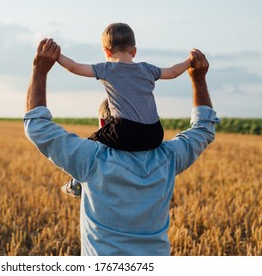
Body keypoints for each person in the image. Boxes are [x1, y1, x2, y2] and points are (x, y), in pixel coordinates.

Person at [24, 38, 219, 255]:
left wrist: (39, 70)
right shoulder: (168, 159)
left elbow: (37, 127)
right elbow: (204, 129)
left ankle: (75, 184)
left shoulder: (91, 160)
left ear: (103, 124)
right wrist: (198, 79)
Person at [57, 23, 191, 197]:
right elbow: (173, 72)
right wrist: (190, 61)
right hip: (155, 134)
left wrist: (56, 55)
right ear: (134, 51)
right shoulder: (147, 69)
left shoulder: (107, 69)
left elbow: (74, 67)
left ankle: (76, 184)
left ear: (106, 51)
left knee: (88, 146)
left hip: (126, 131)